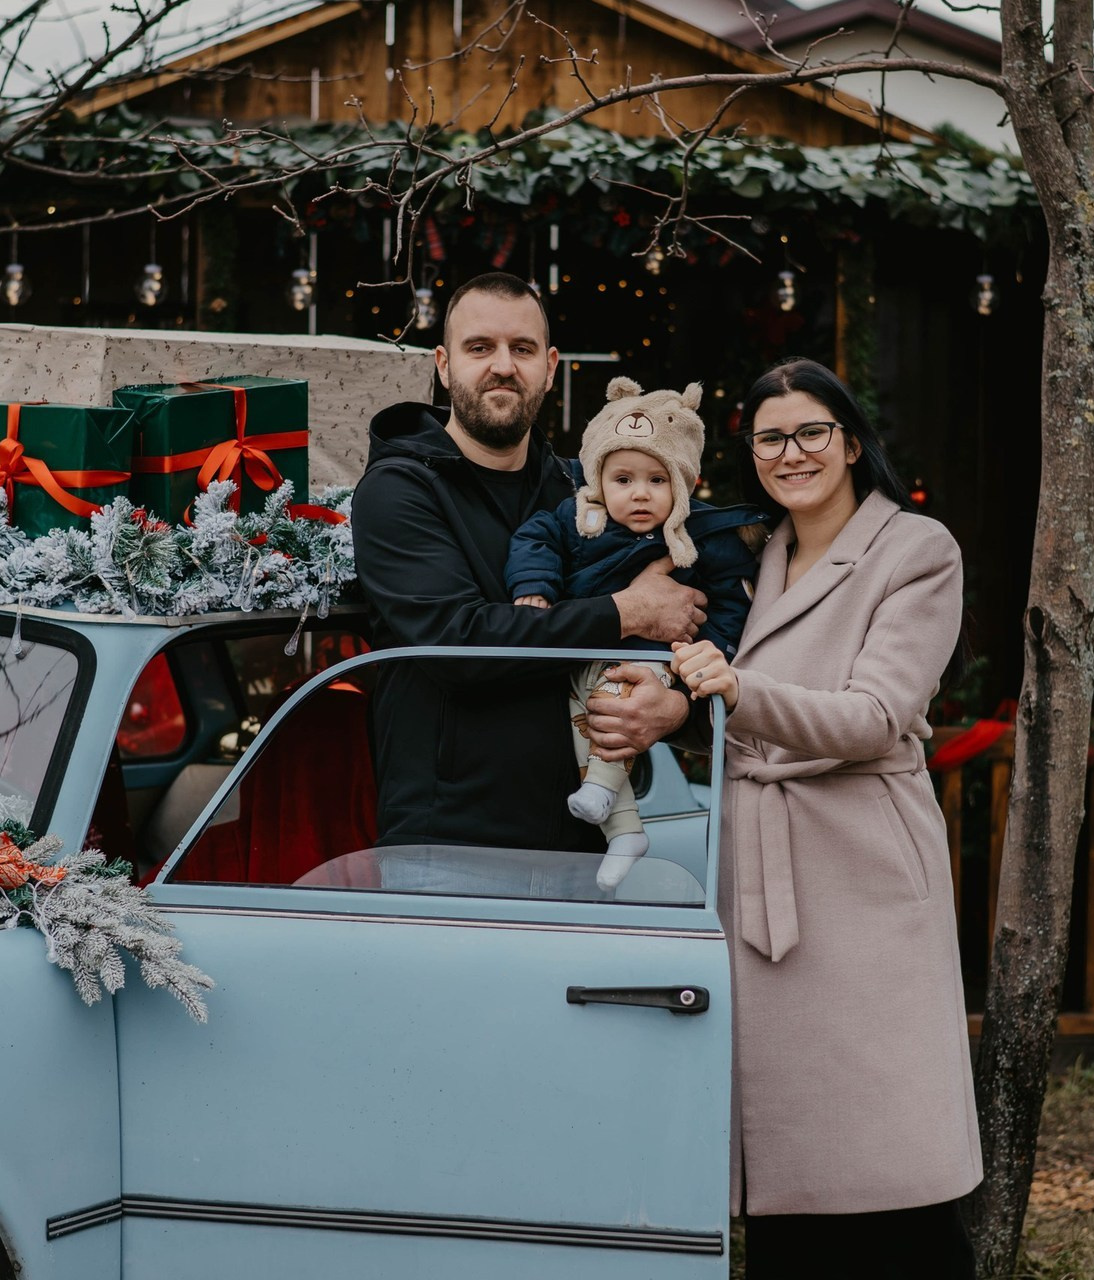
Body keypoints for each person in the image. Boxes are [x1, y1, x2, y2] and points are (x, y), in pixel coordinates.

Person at [666, 357, 981, 1278]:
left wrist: (737, 691)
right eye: (770, 437)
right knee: (787, 1163)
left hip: (861, 867)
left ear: (849, 442)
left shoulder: (916, 550)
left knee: (889, 1156)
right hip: (758, 856)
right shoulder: (750, 555)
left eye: (810, 432)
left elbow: (877, 716)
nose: (791, 452)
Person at [350, 272, 705, 854]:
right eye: (480, 348)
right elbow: (457, 643)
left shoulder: (584, 491)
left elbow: (681, 610)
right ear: (443, 365)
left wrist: (673, 704)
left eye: (522, 349)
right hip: (449, 840)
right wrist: (627, 611)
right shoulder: (399, 491)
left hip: (584, 832)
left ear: (551, 366)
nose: (503, 366)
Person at [505, 376, 768, 888]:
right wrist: (533, 587)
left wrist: (711, 651)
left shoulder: (703, 534)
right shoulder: (581, 519)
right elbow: (534, 539)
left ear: (684, 484)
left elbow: (731, 600)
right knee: (588, 725)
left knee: (619, 701)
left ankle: (607, 800)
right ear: (598, 481)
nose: (640, 494)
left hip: (658, 659)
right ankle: (624, 830)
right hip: (585, 655)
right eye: (623, 479)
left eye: (657, 480)